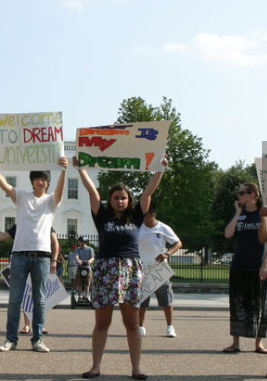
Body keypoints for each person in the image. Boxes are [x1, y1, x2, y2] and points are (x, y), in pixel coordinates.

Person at [75, 156, 167, 380]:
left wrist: (160, 170)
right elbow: (91, 192)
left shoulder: (136, 217)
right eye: (116, 197)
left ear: (128, 200)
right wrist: (81, 169)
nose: (119, 201)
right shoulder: (102, 216)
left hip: (131, 270)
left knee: (132, 323)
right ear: (110, 199)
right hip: (106, 269)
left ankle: (136, 369)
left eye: (123, 198)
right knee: (102, 322)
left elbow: (147, 194)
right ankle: (96, 366)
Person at [0, 156, 68, 353]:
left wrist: (64, 171)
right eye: (37, 178)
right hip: (19, 254)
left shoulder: (51, 202)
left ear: (47, 182)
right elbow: (6, 187)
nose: (40, 182)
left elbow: (59, 193)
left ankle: (38, 339)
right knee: (15, 299)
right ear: (32, 181)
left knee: (39, 300)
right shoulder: (23, 196)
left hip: (42, 256)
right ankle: (10, 339)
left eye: (43, 179)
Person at [222, 182, 267, 355]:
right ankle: (235, 343)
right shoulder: (240, 214)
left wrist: (266, 262)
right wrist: (237, 213)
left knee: (258, 304)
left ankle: (259, 343)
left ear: (252, 194)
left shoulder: (263, 213)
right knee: (237, 303)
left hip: (257, 266)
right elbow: (228, 234)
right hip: (239, 265)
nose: (239, 196)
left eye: (242, 193)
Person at [137, 203, 183, 338]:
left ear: (152, 214)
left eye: (144, 215)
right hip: (142, 268)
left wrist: (167, 253)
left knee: (166, 300)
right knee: (141, 301)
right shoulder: (139, 227)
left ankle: (170, 327)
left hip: (159, 268)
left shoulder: (163, 228)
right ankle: (140, 326)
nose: (142, 217)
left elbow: (178, 243)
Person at [75, 236, 95, 301]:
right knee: (79, 282)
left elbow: (92, 257)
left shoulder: (90, 249)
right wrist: (78, 260)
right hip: (80, 267)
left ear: (84, 242)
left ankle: (86, 296)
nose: (79, 243)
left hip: (87, 267)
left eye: (80, 242)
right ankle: (80, 296)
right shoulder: (77, 249)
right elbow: (76, 256)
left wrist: (90, 261)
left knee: (87, 283)